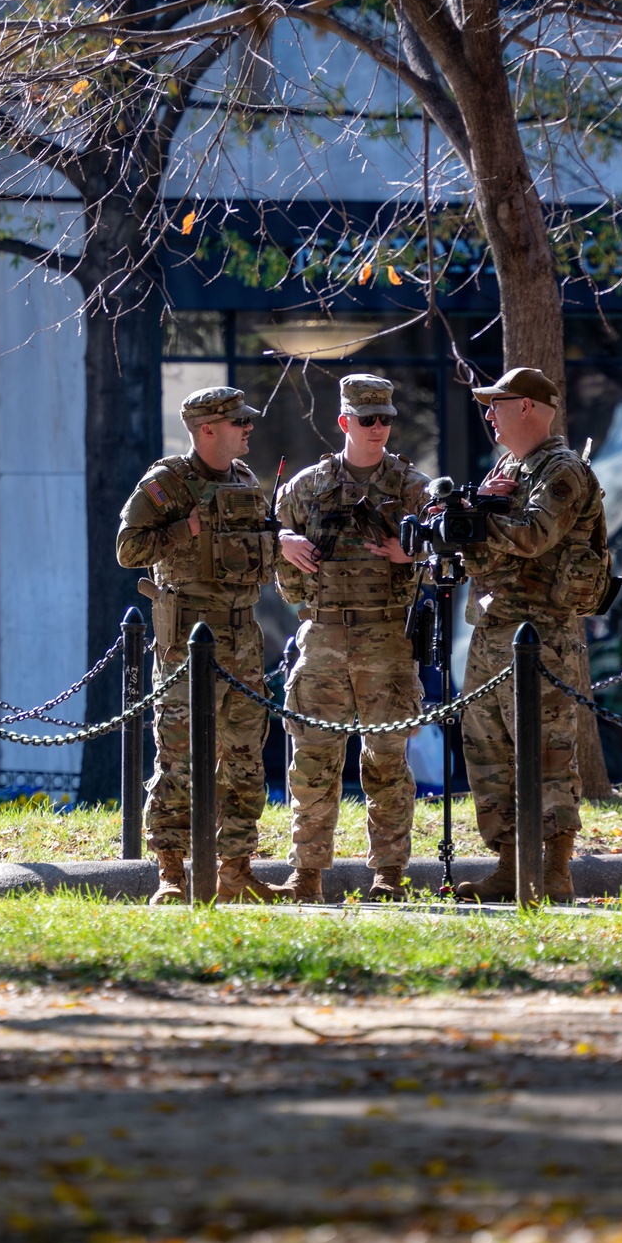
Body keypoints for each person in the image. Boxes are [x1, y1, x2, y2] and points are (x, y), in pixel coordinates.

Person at [117, 387, 278, 906]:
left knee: (245, 763)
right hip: (186, 645)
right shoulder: (166, 483)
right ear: (207, 429)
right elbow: (128, 549)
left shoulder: (246, 481)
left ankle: (236, 871)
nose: (248, 428)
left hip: (243, 642)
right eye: (238, 422)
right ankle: (171, 872)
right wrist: (183, 530)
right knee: (179, 762)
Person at [456, 367, 611, 903]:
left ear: (526, 407)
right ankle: (510, 865)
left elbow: (532, 536)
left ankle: (554, 869)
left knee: (546, 751)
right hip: (492, 628)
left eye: (497, 404)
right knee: (488, 748)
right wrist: (473, 506)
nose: (489, 415)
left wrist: (475, 518)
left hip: (540, 634)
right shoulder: (509, 467)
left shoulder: (562, 471)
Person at [275, 374, 430, 902]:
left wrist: (414, 554)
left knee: (387, 763)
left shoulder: (412, 487)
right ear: (345, 422)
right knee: (313, 762)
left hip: (387, 637)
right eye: (367, 419)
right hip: (322, 635)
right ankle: (307, 875)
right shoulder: (309, 486)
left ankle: (388, 875)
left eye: (385, 418)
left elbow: (451, 554)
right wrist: (285, 541)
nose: (378, 428)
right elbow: (272, 541)